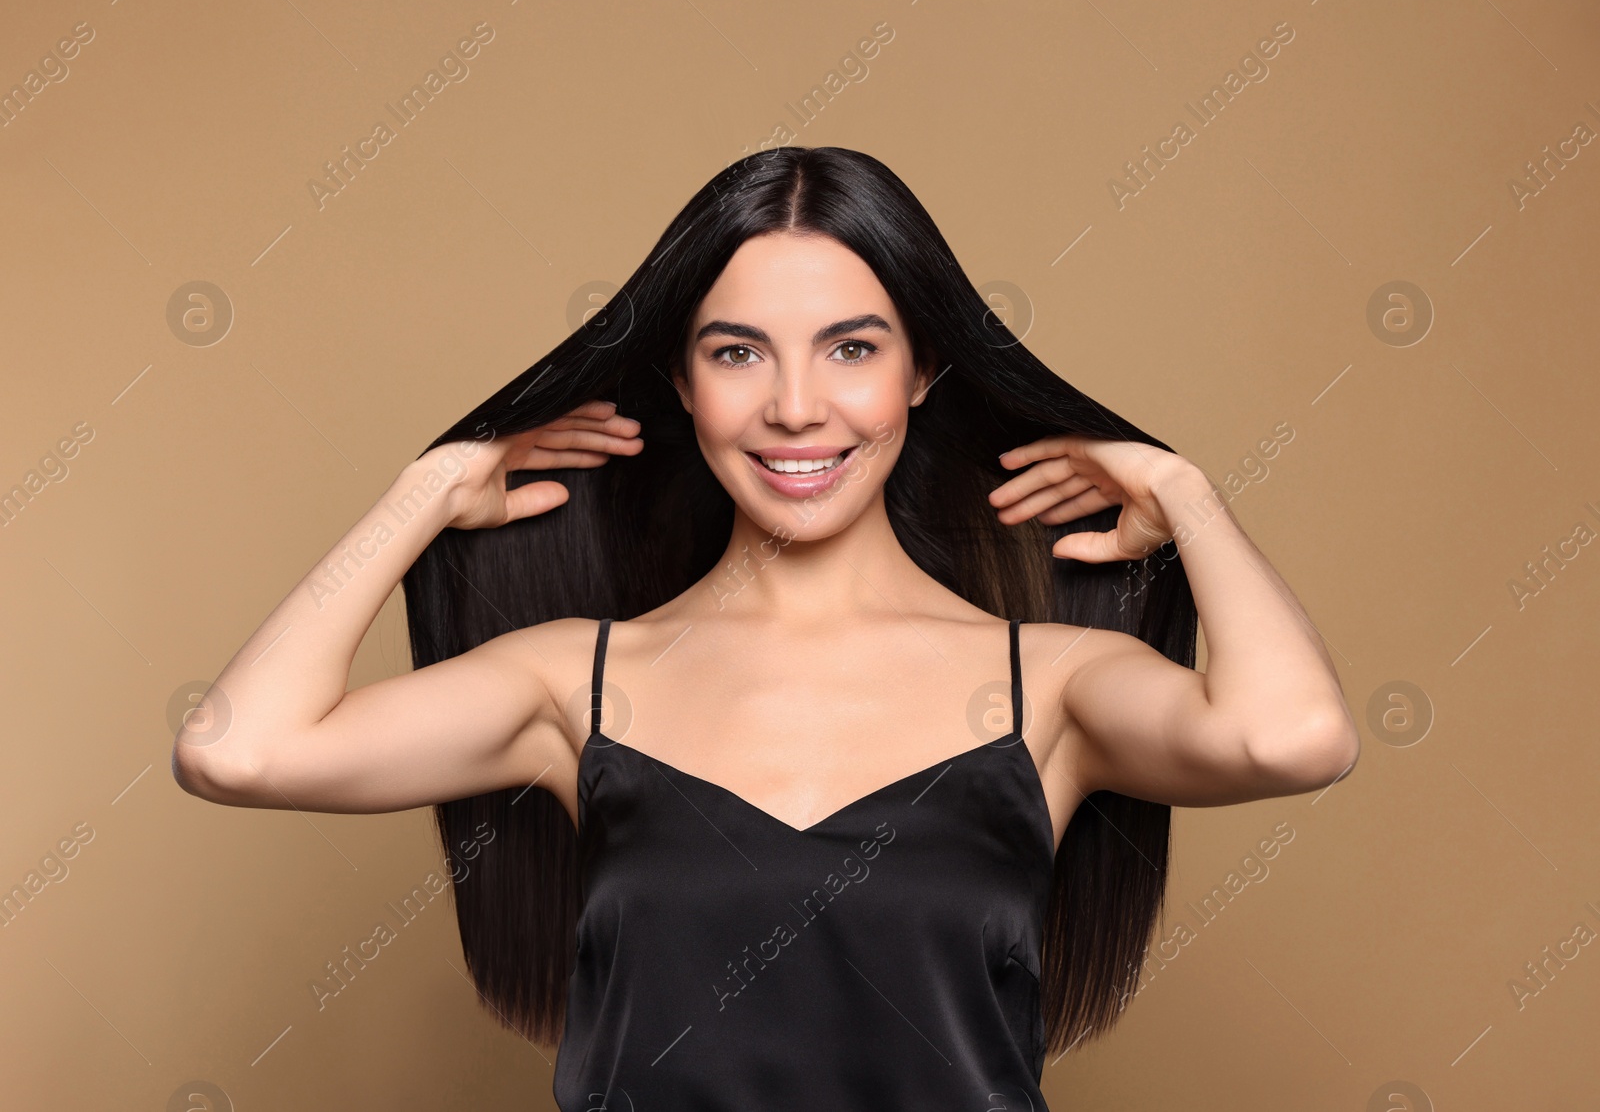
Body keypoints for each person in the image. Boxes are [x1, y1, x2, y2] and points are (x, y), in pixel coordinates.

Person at [173, 146, 1359, 1109]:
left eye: (851, 347)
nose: (796, 406)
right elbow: (238, 747)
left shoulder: (1049, 688)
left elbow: (1293, 735)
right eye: (737, 353)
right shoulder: (573, 682)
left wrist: (1188, 493)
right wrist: (423, 494)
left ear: (923, 371)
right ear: (682, 385)